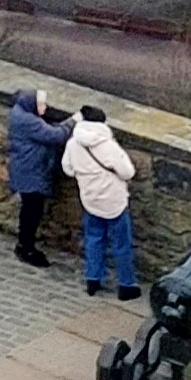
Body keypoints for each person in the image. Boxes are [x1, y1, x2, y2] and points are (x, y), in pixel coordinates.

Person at [61, 103, 140, 299]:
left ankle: (93, 279)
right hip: (114, 201)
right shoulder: (108, 146)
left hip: (90, 200)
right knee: (121, 243)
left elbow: (68, 168)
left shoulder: (73, 144)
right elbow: (128, 172)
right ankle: (126, 285)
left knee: (94, 239)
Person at [5, 83, 71, 270]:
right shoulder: (28, 121)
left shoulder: (21, 113)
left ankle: (25, 244)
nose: (45, 108)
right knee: (32, 212)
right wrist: (73, 120)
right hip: (31, 173)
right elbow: (56, 135)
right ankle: (25, 247)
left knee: (30, 210)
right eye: (41, 104)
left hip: (27, 170)